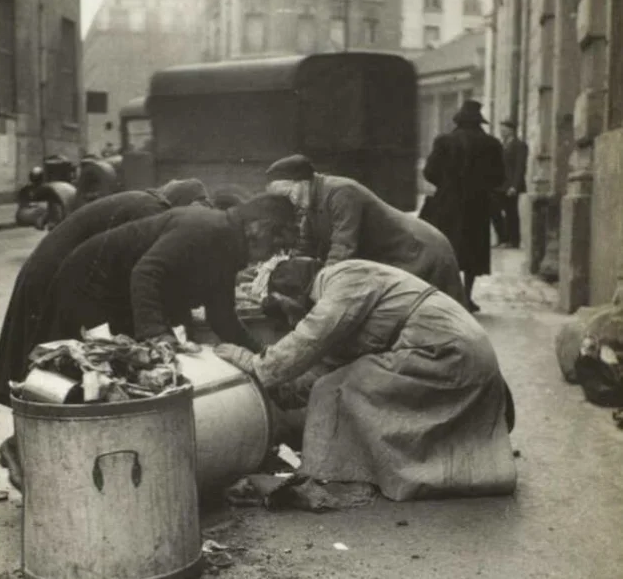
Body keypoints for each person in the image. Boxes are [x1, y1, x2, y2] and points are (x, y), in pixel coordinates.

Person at [216, 257, 516, 507]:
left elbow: (310, 338)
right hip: (453, 346)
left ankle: (335, 473)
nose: (292, 321)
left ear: (291, 296)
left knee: (337, 389)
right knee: (336, 382)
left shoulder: (343, 280)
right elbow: (325, 365)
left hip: (446, 350)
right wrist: (282, 391)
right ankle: (380, 467)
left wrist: (254, 364)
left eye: (286, 311)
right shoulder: (340, 289)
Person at [0, 179, 212, 488]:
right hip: (55, 279)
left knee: (66, 371)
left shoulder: (147, 205)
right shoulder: (152, 211)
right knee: (62, 369)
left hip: (59, 275)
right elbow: (145, 277)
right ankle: (21, 448)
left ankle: (34, 451)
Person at [37, 194, 297, 352]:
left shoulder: (228, 246)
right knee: (95, 364)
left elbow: (222, 318)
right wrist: (156, 334)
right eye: (276, 246)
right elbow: (147, 273)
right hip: (90, 281)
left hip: (115, 288)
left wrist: (261, 354)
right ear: (259, 228)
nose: (272, 255)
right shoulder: (209, 229)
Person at [265, 154, 466, 307]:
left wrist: (320, 291)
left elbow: (342, 250)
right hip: (398, 256)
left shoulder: (341, 192)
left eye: (288, 194)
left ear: (302, 182)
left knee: (441, 317)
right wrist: (278, 272)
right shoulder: (309, 203)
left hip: (420, 250)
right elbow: (305, 248)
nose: (289, 202)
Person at [421, 100, 505, 313]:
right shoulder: (492, 144)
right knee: (474, 250)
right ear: (479, 121)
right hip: (478, 204)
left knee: (448, 247)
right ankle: (467, 296)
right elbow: (499, 177)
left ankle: (449, 294)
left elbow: (429, 172)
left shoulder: (444, 141)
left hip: (448, 203)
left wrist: (446, 184)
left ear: (458, 120)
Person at [498, 119, 528, 248]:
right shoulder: (502, 145)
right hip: (501, 185)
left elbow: (520, 167)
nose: (501, 131)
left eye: (504, 129)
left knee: (511, 212)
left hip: (511, 186)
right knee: (500, 212)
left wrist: (514, 186)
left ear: (511, 130)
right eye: (501, 129)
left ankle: (514, 240)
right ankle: (504, 239)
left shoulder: (519, 145)